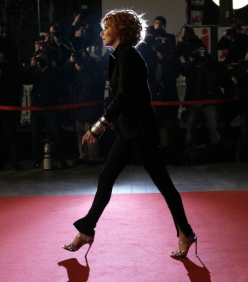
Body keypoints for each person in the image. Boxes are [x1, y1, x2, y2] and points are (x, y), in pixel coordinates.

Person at [62, 9, 196, 258]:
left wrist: (99, 125)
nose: (102, 33)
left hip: (140, 131)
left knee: (164, 184)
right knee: (106, 178)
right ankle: (86, 230)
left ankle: (186, 233)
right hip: (129, 130)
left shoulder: (128, 57)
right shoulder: (120, 55)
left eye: (107, 28)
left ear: (120, 31)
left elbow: (123, 96)